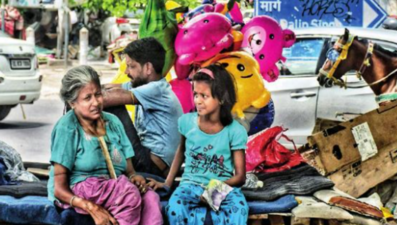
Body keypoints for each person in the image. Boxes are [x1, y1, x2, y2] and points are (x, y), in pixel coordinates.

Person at [48, 65, 162, 225]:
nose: (96, 102)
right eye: (87, 98)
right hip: (81, 189)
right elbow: (58, 188)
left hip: (113, 187)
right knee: (127, 193)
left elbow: (129, 171)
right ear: (72, 103)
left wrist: (135, 178)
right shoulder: (67, 128)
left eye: (98, 95)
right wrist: (90, 207)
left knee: (151, 198)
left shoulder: (113, 122)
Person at [148, 64, 249, 224]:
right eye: (196, 94)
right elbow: (181, 151)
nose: (198, 101)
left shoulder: (235, 131)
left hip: (223, 187)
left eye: (204, 96)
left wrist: (213, 192)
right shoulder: (187, 122)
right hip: (190, 185)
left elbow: (240, 177)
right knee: (175, 208)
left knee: (239, 208)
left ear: (222, 97)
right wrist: (167, 183)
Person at [102, 37, 183, 179]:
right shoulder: (142, 85)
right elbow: (109, 87)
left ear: (148, 68)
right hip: (146, 157)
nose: (127, 72)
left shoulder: (156, 89)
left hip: (151, 166)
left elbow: (107, 98)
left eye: (131, 66)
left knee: (109, 105)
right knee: (93, 99)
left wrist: (80, 96)